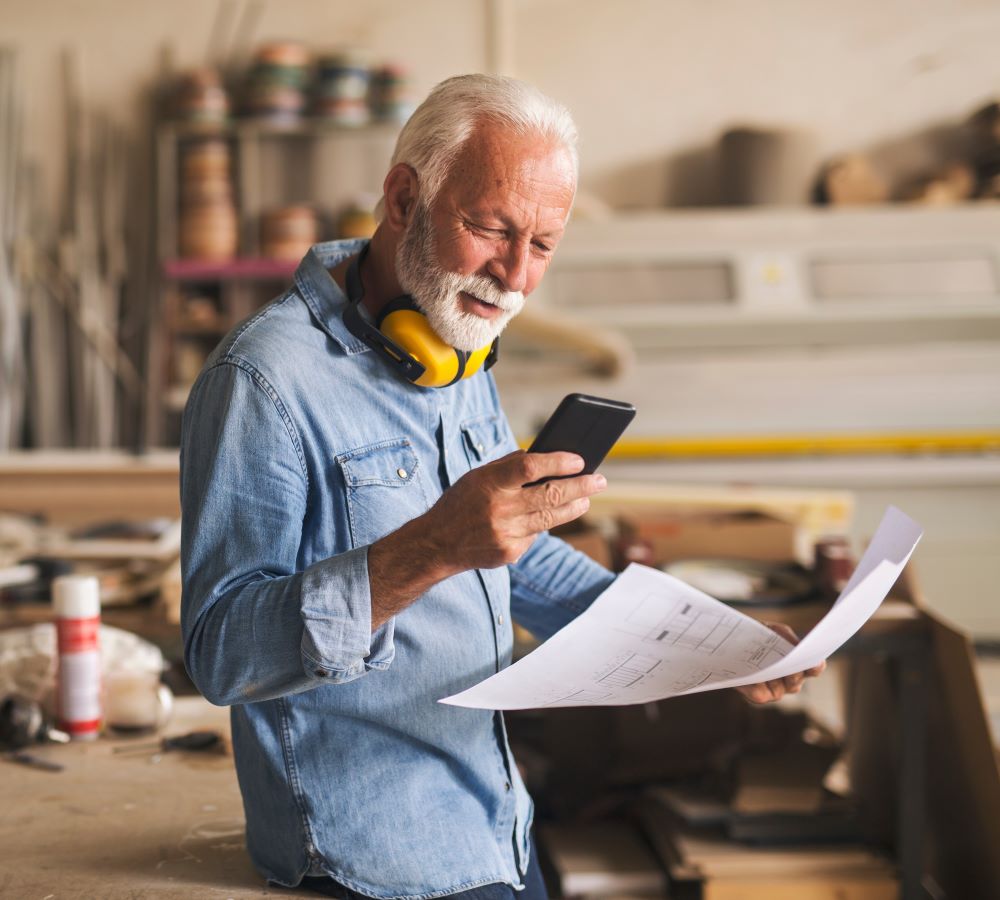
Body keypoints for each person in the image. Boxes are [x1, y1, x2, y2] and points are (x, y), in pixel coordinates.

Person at [180, 74, 825, 899]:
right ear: (404, 199)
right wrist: (432, 548)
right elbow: (221, 654)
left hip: (495, 827)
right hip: (369, 862)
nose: (515, 275)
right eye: (490, 228)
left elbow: (518, 556)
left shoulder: (454, 341)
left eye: (544, 245)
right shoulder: (262, 381)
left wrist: (700, 644)